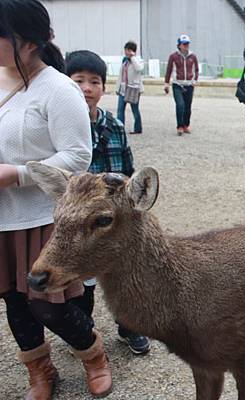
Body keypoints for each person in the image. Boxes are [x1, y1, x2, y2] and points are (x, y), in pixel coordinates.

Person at [0, 1, 112, 398]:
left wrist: (16, 174)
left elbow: (77, 156)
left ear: (27, 41)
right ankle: (40, 371)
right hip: (2, 219)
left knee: (49, 305)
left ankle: (94, 355)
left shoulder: (58, 89)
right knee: (14, 302)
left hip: (42, 216)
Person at [65, 50, 151, 355]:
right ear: (66, 83)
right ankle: (83, 331)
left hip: (113, 221)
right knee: (82, 282)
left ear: (104, 87)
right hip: (81, 224)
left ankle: (129, 327)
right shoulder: (62, 128)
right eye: (78, 81)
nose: (87, 88)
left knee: (123, 278)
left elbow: (129, 169)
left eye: (94, 81)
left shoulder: (114, 125)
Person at [164, 34, 199, 136]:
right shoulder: (173, 57)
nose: (186, 46)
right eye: (184, 44)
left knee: (188, 106)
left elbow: (196, 70)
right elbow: (169, 70)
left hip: (189, 84)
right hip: (177, 84)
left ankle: (185, 125)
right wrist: (166, 83)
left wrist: (194, 81)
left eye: (187, 44)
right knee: (180, 105)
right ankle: (179, 126)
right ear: (179, 45)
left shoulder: (193, 56)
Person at [116, 41, 143, 134]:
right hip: (123, 88)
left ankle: (138, 128)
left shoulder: (137, 60)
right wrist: (117, 88)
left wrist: (133, 57)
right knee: (120, 110)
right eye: (126, 50)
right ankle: (120, 128)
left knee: (135, 109)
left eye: (128, 50)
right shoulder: (124, 61)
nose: (126, 52)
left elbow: (139, 68)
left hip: (133, 88)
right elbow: (121, 75)